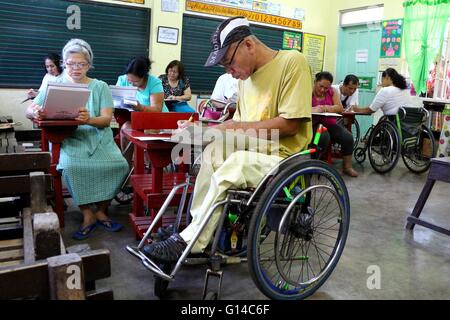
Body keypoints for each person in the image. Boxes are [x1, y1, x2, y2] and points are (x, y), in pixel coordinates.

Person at [142, 16, 312, 263]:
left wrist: (232, 127)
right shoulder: (245, 81)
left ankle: (192, 240)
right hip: (256, 146)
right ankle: (195, 227)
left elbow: (289, 124)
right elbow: (238, 129)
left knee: (237, 162)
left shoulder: (292, 62)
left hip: (282, 154)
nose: (230, 73)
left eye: (229, 63)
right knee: (212, 150)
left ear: (249, 46)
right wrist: (200, 128)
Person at [26, 39, 129, 240]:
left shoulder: (100, 87)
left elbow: (106, 120)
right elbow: (29, 109)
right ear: (64, 64)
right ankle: (88, 214)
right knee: (72, 167)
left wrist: (89, 119)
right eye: (70, 63)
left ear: (89, 64)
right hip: (68, 138)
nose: (75, 68)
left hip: (98, 136)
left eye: (81, 64)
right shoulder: (55, 85)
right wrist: (34, 112)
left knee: (120, 166)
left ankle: (101, 209)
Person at [116, 57, 167, 164]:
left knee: (138, 134)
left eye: (135, 81)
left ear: (144, 76)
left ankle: (148, 164)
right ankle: (126, 164)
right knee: (125, 130)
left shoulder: (154, 83)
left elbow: (157, 110)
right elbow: (116, 100)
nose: (131, 84)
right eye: (129, 80)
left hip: (155, 121)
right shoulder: (123, 79)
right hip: (134, 119)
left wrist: (141, 108)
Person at [312, 71, 358, 177]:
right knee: (323, 137)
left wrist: (325, 107)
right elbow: (302, 109)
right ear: (315, 82)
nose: (323, 90)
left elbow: (340, 108)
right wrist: (314, 109)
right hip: (314, 124)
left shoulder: (332, 91)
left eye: (326, 88)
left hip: (329, 123)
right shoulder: (308, 92)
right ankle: (314, 163)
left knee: (347, 137)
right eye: (321, 86)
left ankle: (347, 167)